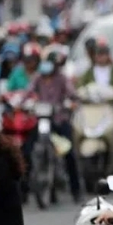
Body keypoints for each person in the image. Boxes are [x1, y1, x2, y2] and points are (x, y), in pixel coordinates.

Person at [76, 40, 113, 179]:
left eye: (104, 54)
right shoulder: (88, 72)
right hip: (91, 110)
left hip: (111, 110)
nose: (101, 57)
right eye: (99, 54)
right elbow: (78, 88)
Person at [28, 54, 81, 202]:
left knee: (69, 153)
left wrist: (70, 103)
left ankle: (75, 189)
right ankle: (25, 191)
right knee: (27, 149)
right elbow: (29, 93)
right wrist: (26, 102)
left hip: (59, 119)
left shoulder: (62, 79)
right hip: (41, 120)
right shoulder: (38, 78)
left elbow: (73, 95)